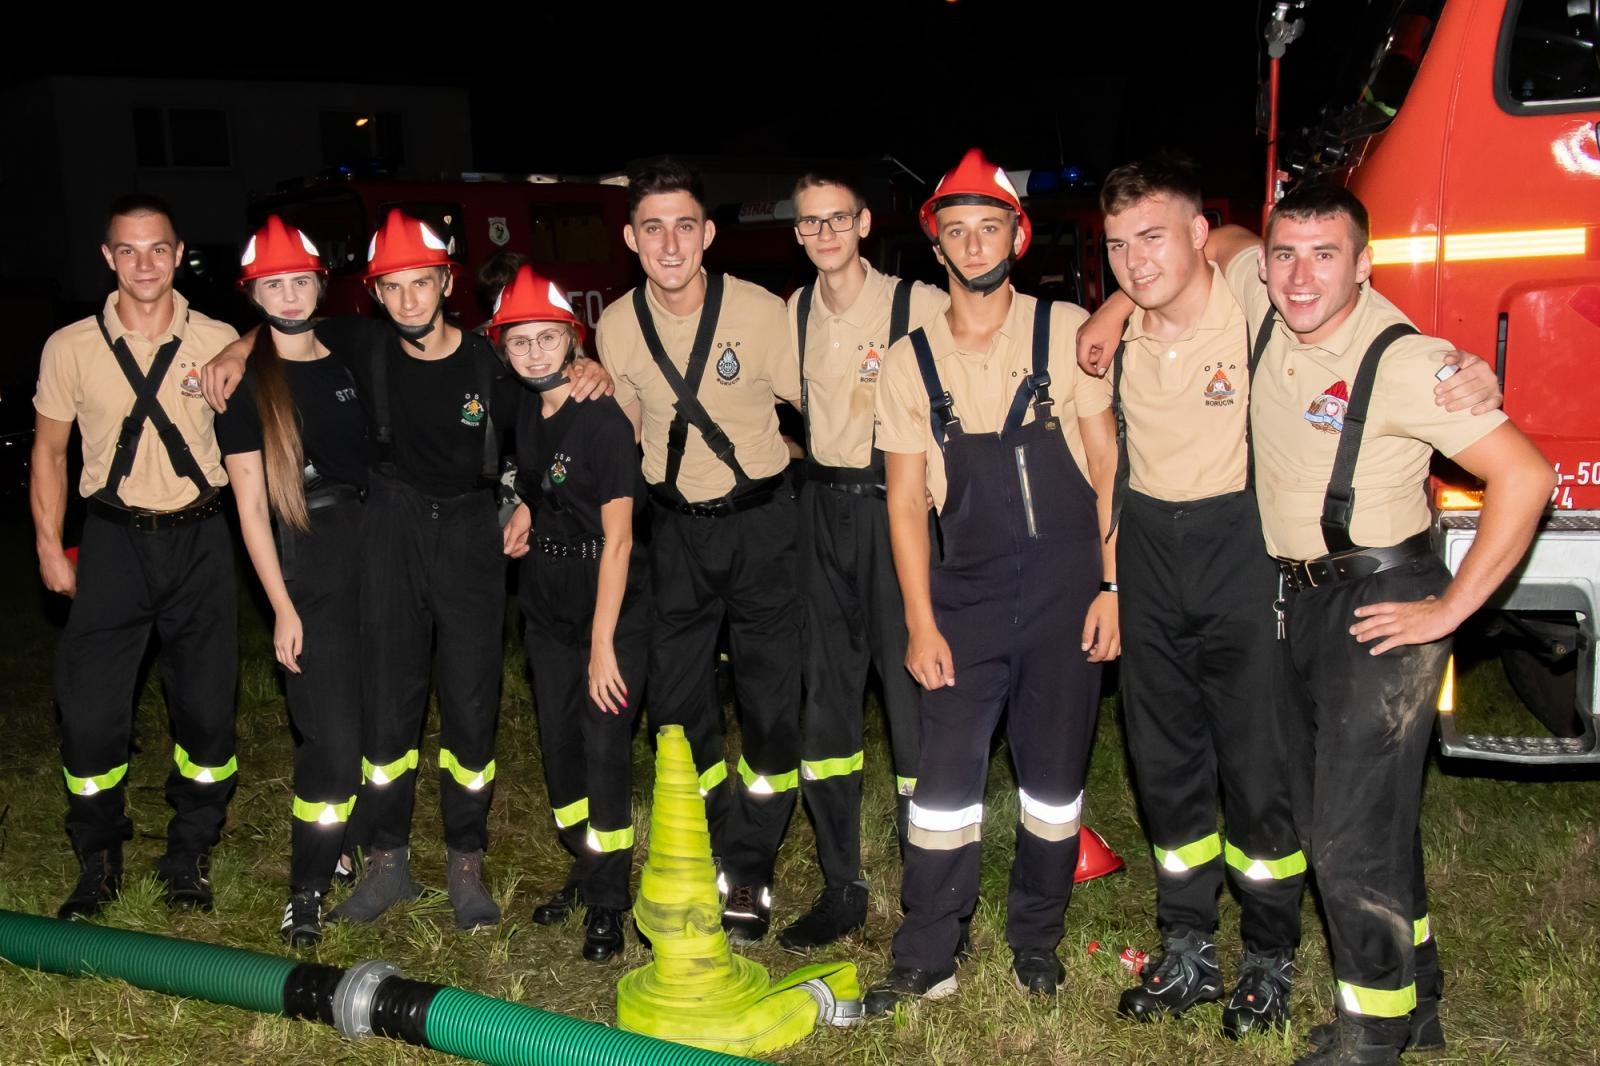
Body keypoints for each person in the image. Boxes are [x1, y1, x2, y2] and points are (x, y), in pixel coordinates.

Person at [1081, 158, 1503, 1039]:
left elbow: (1255, 247)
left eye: (1153, 238)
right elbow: (1106, 465)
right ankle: (1188, 945)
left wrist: (1462, 376)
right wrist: (1113, 582)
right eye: (1117, 247)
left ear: (1199, 237)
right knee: (1164, 769)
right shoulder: (1114, 334)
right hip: (1151, 563)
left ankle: (1270, 955)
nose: (1134, 259)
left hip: (1245, 558)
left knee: (1261, 770)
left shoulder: (1253, 303)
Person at [1209, 185, 1550, 1065]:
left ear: (1365, 265)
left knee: (1346, 831)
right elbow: (1225, 238)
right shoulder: (1265, 296)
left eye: (1327, 254)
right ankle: (1419, 994)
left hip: (1382, 598)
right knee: (1359, 813)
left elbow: (1525, 475)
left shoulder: (1407, 362)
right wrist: (1113, 312)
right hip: (1297, 597)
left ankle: (1372, 1032)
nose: (1299, 273)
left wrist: (1453, 609)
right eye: (1288, 253)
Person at [863, 149, 1120, 1011]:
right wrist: (920, 622)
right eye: (957, 231)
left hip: (1067, 590)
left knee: (1053, 781)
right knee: (943, 787)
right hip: (964, 593)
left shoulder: (1068, 328)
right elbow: (904, 505)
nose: (975, 245)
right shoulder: (908, 361)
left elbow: (1107, 466)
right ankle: (929, 950)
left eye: (991, 227)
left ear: (1021, 233)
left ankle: (1036, 937)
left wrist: (1111, 590)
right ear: (936, 245)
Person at [595, 159, 802, 943]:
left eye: (685, 225)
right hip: (675, 533)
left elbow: (816, 401)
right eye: (653, 227)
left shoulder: (758, 311)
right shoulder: (615, 327)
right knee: (677, 709)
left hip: (764, 527)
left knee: (772, 702)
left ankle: (750, 870)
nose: (670, 242)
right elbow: (609, 435)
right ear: (631, 238)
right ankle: (714, 835)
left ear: (709, 233)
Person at [32, 194, 240, 919]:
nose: (144, 263)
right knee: (89, 716)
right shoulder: (69, 346)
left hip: (203, 541)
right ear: (107, 257)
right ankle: (99, 857)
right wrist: (49, 548)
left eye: (158, 249)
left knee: (208, 716)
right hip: (113, 542)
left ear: (180, 253)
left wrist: (252, 344)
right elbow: (50, 452)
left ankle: (191, 852)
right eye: (128, 249)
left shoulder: (221, 339)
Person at [778, 171, 947, 951]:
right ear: (799, 233)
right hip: (821, 512)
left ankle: (931, 892)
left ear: (865, 223)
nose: (825, 234)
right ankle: (841, 881)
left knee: (915, 702)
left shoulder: (918, 304)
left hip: (897, 510)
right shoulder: (796, 310)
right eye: (810, 223)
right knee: (827, 701)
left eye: (837, 219)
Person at [214, 216, 371, 946]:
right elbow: (249, 510)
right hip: (306, 558)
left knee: (376, 722)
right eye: (272, 283)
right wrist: (279, 606)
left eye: (299, 278)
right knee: (331, 738)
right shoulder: (248, 387)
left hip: (381, 549)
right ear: (254, 293)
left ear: (319, 284)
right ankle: (304, 887)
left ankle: (354, 847)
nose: (288, 292)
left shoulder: (356, 352)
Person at [491, 265, 650, 963]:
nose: (533, 353)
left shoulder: (603, 419)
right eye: (520, 342)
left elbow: (619, 536)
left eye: (546, 339)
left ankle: (611, 903)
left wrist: (604, 643)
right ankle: (585, 868)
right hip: (545, 594)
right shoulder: (529, 406)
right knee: (560, 747)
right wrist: (528, 509)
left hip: (605, 596)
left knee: (605, 750)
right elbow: (542, 481)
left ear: (571, 339)